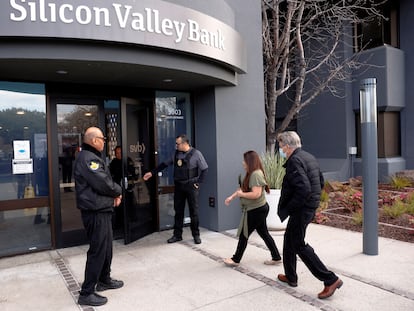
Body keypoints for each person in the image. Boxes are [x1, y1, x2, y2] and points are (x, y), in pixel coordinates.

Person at [276, 131, 343, 299]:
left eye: (281, 146)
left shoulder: (295, 161)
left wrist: (291, 207)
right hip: (307, 206)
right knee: (289, 240)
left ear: (287, 146)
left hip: (301, 209)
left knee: (298, 244)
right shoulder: (308, 157)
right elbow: (320, 182)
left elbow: (304, 189)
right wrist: (312, 202)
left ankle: (330, 279)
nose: (280, 150)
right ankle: (291, 276)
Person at [74, 127, 124, 307]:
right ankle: (87, 292)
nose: (105, 141)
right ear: (94, 140)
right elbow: (103, 183)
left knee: (106, 247)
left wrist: (114, 197)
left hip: (102, 209)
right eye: (103, 138)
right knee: (98, 250)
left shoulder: (91, 156)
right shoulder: (88, 159)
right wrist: (118, 191)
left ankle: (104, 279)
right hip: (95, 212)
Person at [143, 134, 208, 244]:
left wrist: (198, 182)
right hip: (179, 186)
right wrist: (152, 173)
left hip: (191, 187)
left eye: (178, 144)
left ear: (184, 143)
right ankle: (177, 235)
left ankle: (196, 235)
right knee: (178, 212)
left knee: (194, 212)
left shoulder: (196, 154)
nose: (176, 146)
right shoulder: (176, 154)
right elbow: (164, 164)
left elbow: (205, 169)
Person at [223, 150, 281, 267]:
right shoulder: (252, 173)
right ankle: (276, 256)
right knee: (264, 233)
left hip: (256, 210)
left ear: (249, 161)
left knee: (244, 234)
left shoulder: (256, 174)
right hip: (258, 209)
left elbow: (256, 194)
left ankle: (236, 259)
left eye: (244, 160)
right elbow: (243, 190)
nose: (242, 162)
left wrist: (241, 195)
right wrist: (232, 197)